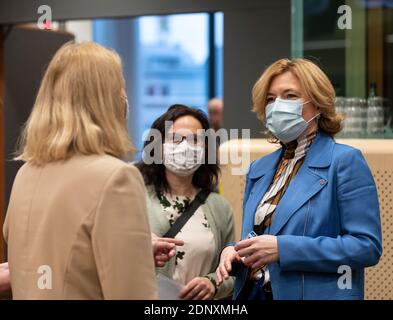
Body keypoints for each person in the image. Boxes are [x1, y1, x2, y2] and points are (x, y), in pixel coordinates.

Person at [216, 58, 382, 300]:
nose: (278, 105)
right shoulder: (259, 168)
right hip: (254, 293)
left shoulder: (344, 161)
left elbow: (366, 247)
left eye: (290, 96)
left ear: (317, 103)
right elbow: (259, 236)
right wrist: (235, 251)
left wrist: (283, 249)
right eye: (271, 99)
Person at [3, 42, 157, 299]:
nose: (125, 99)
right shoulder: (116, 177)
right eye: (121, 89)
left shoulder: (26, 174)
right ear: (105, 101)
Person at [137, 104, 235, 300]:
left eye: (195, 140)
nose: (185, 146)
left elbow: (233, 272)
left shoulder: (219, 207)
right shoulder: (135, 198)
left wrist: (213, 283)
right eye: (176, 138)